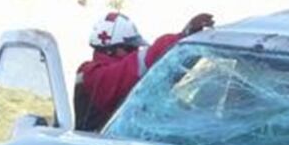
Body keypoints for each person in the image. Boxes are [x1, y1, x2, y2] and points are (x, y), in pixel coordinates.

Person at [74, 11, 215, 132]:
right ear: (110, 50)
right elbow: (138, 64)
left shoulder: (120, 79)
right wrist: (182, 36)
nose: (135, 51)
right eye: (130, 48)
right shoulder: (93, 74)